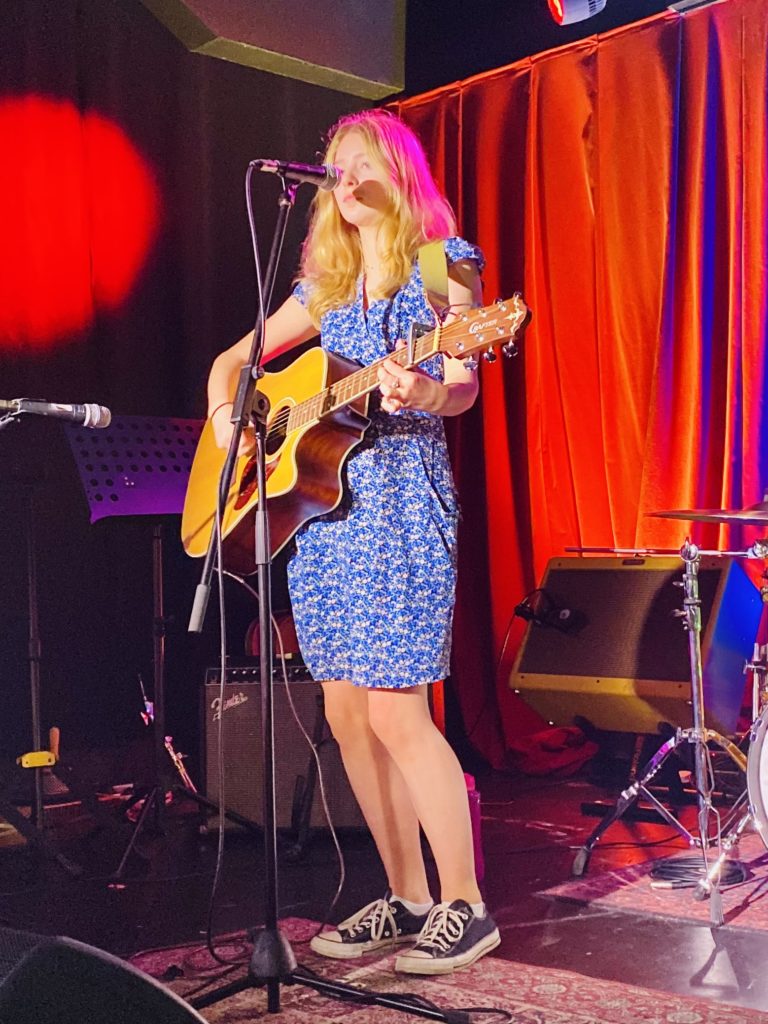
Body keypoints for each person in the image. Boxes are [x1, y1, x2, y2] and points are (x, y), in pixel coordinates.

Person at [206, 108, 499, 975]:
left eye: (357, 158)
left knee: (396, 712)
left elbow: (464, 384)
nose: (342, 173)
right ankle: (408, 897)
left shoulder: (446, 263)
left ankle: (467, 905)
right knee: (342, 713)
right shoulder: (324, 288)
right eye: (333, 164)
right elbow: (232, 365)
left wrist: (425, 392)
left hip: (403, 507)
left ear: (396, 171)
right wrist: (232, 421)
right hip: (326, 517)